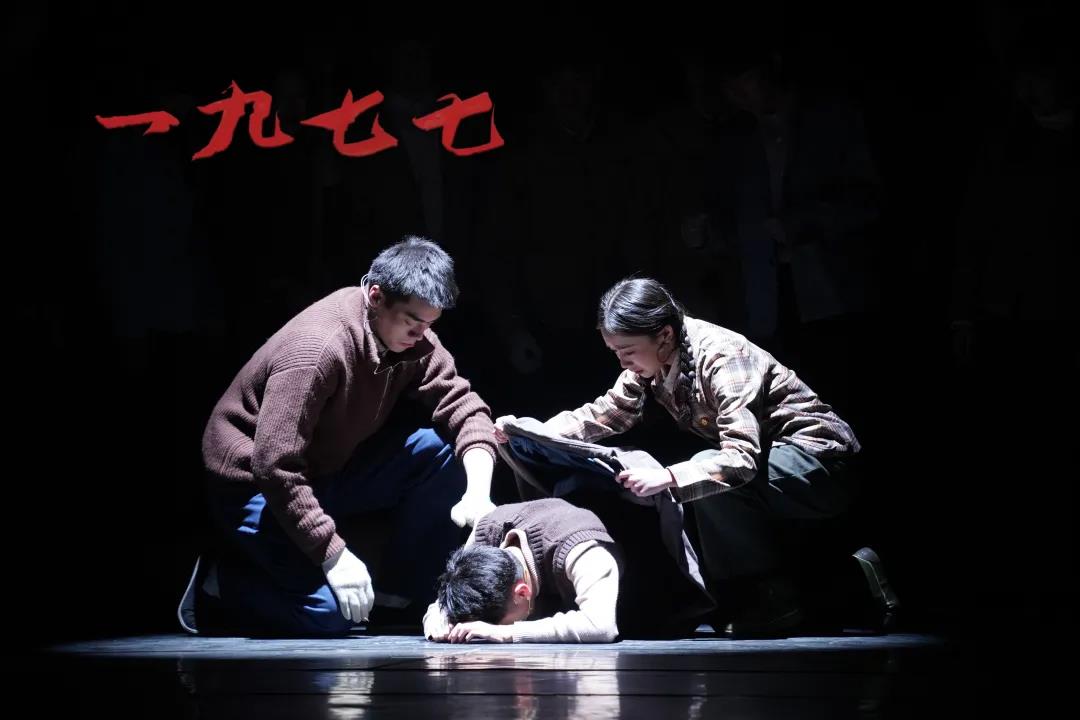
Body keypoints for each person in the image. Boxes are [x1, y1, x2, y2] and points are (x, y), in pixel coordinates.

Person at [497, 277, 896, 638]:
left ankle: (766, 600)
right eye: (615, 352)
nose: (622, 362)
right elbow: (605, 413)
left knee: (711, 476)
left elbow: (741, 458)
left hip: (824, 464)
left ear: (664, 335)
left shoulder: (722, 357)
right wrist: (530, 433)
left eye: (627, 351)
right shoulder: (653, 362)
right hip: (776, 463)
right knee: (705, 478)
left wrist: (670, 477)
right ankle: (843, 579)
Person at [179, 236, 498, 636]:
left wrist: (479, 493)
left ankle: (396, 598)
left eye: (429, 325)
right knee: (328, 614)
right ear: (376, 296)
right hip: (254, 487)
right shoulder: (317, 350)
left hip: (324, 468)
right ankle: (219, 586)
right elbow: (274, 466)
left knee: (437, 451)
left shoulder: (409, 336)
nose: (421, 335)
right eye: (412, 323)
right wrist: (333, 555)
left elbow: (462, 404)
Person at [423, 498, 621, 643]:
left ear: (522, 592)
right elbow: (449, 593)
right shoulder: (485, 535)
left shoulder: (582, 552)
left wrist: (505, 632)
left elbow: (600, 625)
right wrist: (438, 618)